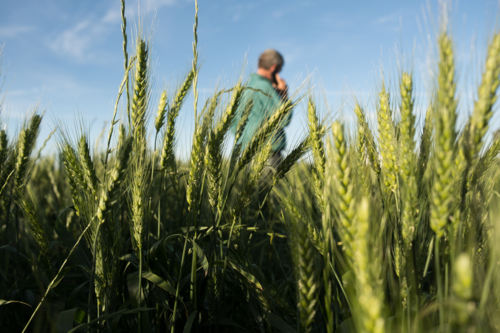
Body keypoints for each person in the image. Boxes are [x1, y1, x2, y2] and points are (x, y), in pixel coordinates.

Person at [232, 49, 292, 167]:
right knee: (269, 186)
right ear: (274, 68)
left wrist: (246, 141)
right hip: (268, 155)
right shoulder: (264, 87)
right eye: (279, 71)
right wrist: (284, 95)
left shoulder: (246, 87)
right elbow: (285, 119)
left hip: (247, 154)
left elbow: (233, 125)